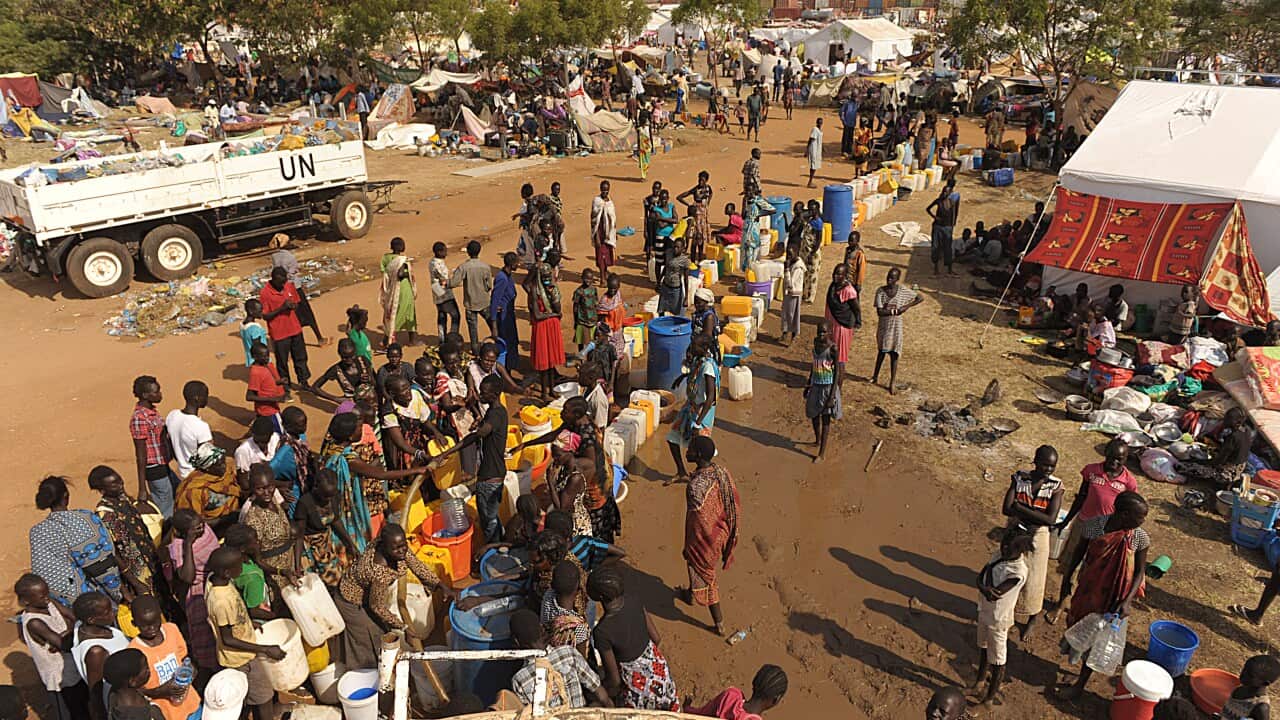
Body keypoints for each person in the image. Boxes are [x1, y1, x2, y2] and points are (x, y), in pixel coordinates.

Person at [1056, 491, 1150, 701]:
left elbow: (1139, 571)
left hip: (1115, 598)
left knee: (1097, 641)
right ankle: (1077, 671)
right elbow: (1078, 554)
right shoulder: (1094, 526)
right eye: (1140, 517)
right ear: (1124, 514)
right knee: (1078, 628)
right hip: (1089, 589)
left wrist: (1127, 601)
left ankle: (1079, 686)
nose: (1143, 521)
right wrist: (1067, 580)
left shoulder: (1139, 537)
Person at [335, 525, 449, 668]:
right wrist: (404, 627)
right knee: (368, 636)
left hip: (369, 595)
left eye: (404, 545)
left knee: (381, 632)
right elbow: (377, 606)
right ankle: (366, 674)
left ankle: (382, 666)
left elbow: (416, 565)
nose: (402, 550)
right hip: (351, 600)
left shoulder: (394, 547)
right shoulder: (379, 570)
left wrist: (440, 585)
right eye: (396, 548)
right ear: (385, 547)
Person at [319, 412, 424, 555]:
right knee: (359, 541)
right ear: (350, 436)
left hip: (333, 501)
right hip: (347, 506)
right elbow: (382, 474)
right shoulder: (349, 459)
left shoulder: (330, 446)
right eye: (359, 427)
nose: (362, 429)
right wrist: (418, 470)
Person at [204, 547, 285, 720]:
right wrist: (264, 649)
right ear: (227, 572)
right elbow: (227, 639)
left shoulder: (216, 581)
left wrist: (247, 623)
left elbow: (230, 621)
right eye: (239, 566)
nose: (242, 568)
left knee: (246, 698)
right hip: (241, 658)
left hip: (242, 651)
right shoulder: (221, 601)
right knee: (264, 697)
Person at [587, 566, 679, 710]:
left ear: (600, 597)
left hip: (638, 689)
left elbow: (615, 681)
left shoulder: (602, 631)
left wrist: (599, 692)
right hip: (660, 673)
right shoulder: (634, 599)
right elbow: (656, 638)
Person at [677, 436, 739, 637]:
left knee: (706, 575)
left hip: (705, 538)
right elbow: (731, 501)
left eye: (691, 449)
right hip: (721, 530)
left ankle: (719, 624)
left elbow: (698, 523)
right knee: (692, 563)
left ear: (698, 455)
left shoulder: (695, 488)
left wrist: (691, 546)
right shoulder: (721, 471)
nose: (687, 450)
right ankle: (690, 594)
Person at [30, 476, 124, 608]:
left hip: (58, 604)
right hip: (91, 603)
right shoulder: (84, 519)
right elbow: (102, 565)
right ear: (66, 496)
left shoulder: (37, 532)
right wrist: (119, 594)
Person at [1001, 445, 1062, 641]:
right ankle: (1008, 613)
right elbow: (1006, 509)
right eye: (1045, 465)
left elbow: (1050, 520)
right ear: (1035, 461)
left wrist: (1020, 508)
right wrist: (1033, 514)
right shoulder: (1020, 477)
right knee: (1010, 572)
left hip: (1038, 535)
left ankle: (1032, 618)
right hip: (1016, 531)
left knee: (1035, 579)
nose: (1048, 470)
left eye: (1052, 466)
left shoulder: (1056, 486)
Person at [970, 527, 1034, 708]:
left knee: (998, 660)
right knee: (982, 647)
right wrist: (983, 585)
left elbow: (993, 592)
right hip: (985, 611)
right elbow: (981, 580)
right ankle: (979, 683)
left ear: (1021, 551)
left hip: (999, 619)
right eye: (1003, 545)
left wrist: (983, 582)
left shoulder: (1019, 572)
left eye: (1009, 549)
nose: (1004, 550)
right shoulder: (1000, 554)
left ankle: (989, 697)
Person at [443, 376, 509, 546]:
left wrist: (448, 452)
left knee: (488, 520)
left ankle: (493, 550)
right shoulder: (497, 412)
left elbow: (479, 434)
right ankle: (499, 544)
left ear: (494, 395)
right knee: (492, 516)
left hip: (489, 476)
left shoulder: (494, 415)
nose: (480, 395)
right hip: (497, 471)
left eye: (484, 392)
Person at [16, 573, 90, 720]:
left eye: (47, 593)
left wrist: (67, 633)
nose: (47, 597)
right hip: (59, 678)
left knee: (83, 706)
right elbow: (66, 644)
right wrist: (69, 633)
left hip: (73, 667)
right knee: (69, 712)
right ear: (26, 601)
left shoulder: (49, 603)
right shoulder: (34, 622)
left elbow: (74, 617)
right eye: (41, 596)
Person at [1057, 439, 1136, 570]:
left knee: (1093, 564)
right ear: (1105, 453)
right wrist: (1066, 521)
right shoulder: (1092, 471)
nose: (1114, 462)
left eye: (1119, 459)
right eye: (1110, 457)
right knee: (1070, 560)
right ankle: (1066, 583)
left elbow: (1129, 510)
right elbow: (1081, 497)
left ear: (1126, 459)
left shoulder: (1129, 482)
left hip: (1106, 529)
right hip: (1083, 522)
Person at [507, 609, 610, 709]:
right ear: (542, 628)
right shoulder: (568, 653)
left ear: (516, 642)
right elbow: (602, 696)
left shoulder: (519, 680)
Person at [88, 466, 162, 600]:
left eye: (120, 481)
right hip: (136, 569)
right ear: (103, 490)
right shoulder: (105, 513)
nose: (120, 486)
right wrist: (134, 580)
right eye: (114, 485)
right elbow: (115, 549)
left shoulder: (123, 499)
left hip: (150, 558)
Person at [128, 596, 201, 720]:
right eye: (145, 625)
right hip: (167, 713)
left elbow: (184, 658)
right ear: (134, 624)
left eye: (155, 622)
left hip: (191, 703)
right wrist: (160, 692)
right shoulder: (134, 651)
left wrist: (191, 671)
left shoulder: (171, 630)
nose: (152, 628)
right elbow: (135, 690)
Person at [166, 510, 219, 671]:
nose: (201, 528)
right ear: (184, 532)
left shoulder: (205, 530)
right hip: (199, 594)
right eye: (195, 528)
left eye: (201, 523)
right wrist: (188, 544)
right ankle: (211, 670)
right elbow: (187, 577)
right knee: (206, 637)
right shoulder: (178, 546)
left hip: (217, 583)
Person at [666, 335, 719, 482]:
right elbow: (693, 374)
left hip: (702, 412)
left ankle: (705, 480)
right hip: (690, 407)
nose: (691, 348)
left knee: (701, 451)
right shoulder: (699, 361)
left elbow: (710, 399)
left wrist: (698, 423)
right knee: (672, 438)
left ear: (703, 349)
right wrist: (681, 378)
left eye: (694, 346)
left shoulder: (708, 368)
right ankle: (682, 472)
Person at [239, 464, 300, 593]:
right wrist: (281, 572)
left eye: (270, 487)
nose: (267, 493)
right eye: (260, 489)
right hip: (274, 575)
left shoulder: (274, 501)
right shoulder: (253, 519)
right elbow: (257, 559)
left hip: (290, 564)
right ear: (252, 489)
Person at [70, 592, 130, 720]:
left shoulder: (82, 626)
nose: (113, 613)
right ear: (91, 619)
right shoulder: (96, 652)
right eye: (107, 612)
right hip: (119, 703)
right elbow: (95, 692)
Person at [293, 468, 356, 587]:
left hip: (326, 546)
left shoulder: (334, 496)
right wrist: (297, 566)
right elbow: (299, 536)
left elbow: (336, 521)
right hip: (310, 549)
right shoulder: (305, 503)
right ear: (315, 487)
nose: (328, 500)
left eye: (331, 496)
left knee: (339, 579)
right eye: (325, 496)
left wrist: (350, 544)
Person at [872, 267, 924, 395]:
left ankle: (892, 382)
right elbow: (880, 312)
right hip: (884, 326)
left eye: (892, 278)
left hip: (896, 327)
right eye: (888, 277)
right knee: (882, 351)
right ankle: (875, 376)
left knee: (894, 353)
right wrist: (895, 311)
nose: (889, 280)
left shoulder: (901, 291)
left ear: (897, 279)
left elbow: (920, 297)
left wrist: (906, 306)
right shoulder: (880, 291)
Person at [130, 376, 176, 518]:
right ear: (145, 395)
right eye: (156, 392)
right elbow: (141, 454)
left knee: (176, 491)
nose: (160, 394)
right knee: (166, 507)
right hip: (154, 468)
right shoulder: (140, 418)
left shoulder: (152, 412)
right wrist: (142, 488)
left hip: (163, 464)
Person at [259, 266, 311, 389]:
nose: (283, 284)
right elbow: (265, 315)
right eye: (280, 282)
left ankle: (304, 382)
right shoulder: (265, 293)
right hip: (279, 333)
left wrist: (293, 306)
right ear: (273, 279)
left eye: (284, 281)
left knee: (301, 357)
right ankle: (286, 387)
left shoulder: (289, 286)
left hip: (295, 328)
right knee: (282, 362)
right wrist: (282, 308)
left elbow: (297, 303)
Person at [1179, 406, 1255, 488]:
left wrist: (1197, 461)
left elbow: (1217, 462)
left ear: (1236, 422)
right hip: (1240, 468)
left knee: (1183, 466)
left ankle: (1221, 484)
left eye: (1228, 419)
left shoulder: (1233, 437)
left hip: (1227, 473)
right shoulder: (1246, 431)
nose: (1225, 420)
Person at [525, 253, 566, 399]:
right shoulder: (535, 292)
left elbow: (558, 307)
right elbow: (537, 315)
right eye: (545, 277)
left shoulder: (552, 290)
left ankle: (551, 389)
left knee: (551, 362)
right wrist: (554, 315)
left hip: (550, 326)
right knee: (544, 362)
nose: (548, 280)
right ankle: (543, 392)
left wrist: (554, 296)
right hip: (542, 326)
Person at [270, 247, 327, 347]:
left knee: (290, 317)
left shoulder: (274, 256)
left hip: (284, 289)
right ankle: (319, 338)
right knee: (307, 313)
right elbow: (293, 272)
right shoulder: (289, 256)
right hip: (295, 288)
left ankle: (292, 345)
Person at [686, 665, 789, 719]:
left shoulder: (731, 696)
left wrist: (687, 708)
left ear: (754, 683)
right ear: (775, 700)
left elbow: (702, 714)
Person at [174, 443, 241, 527]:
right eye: (219, 465)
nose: (224, 466)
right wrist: (227, 519)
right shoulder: (194, 491)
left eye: (223, 461)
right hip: (213, 530)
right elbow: (194, 524)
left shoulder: (226, 472)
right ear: (208, 468)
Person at [804, 324, 841, 461]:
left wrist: (832, 396)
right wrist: (808, 384)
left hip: (827, 387)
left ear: (829, 332)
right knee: (814, 414)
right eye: (819, 332)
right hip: (816, 385)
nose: (821, 335)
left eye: (824, 333)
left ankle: (821, 453)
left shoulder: (833, 349)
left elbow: (837, 372)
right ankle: (817, 440)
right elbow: (814, 365)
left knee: (825, 419)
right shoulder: (816, 343)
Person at [165, 382, 212, 481]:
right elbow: (208, 459)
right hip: (198, 478)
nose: (207, 399)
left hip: (183, 474)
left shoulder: (172, 415)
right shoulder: (201, 426)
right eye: (205, 396)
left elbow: (170, 443)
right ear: (197, 398)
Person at [453, 240, 494, 353]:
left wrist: (445, 283)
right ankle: (497, 340)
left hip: (470, 303)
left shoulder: (464, 267)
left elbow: (454, 282)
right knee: (492, 323)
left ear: (468, 252)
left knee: (473, 329)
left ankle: (475, 350)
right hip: (484, 301)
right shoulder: (485, 267)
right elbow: (489, 285)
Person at [824, 264, 860, 388]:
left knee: (840, 358)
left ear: (845, 276)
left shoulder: (849, 291)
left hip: (842, 327)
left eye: (839, 274)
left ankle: (838, 387)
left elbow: (856, 308)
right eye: (835, 273)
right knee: (829, 354)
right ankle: (829, 382)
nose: (836, 276)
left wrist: (857, 322)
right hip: (831, 325)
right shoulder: (833, 287)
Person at [541, 561, 589, 653]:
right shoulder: (579, 628)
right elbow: (582, 660)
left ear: (552, 584)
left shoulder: (548, 597)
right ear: (578, 586)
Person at [311, 338, 375, 405]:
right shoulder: (336, 370)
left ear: (355, 352)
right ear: (339, 354)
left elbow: (374, 382)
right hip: (353, 406)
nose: (349, 360)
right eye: (345, 357)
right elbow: (315, 388)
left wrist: (369, 379)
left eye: (352, 356)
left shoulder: (363, 361)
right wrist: (336, 399)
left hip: (372, 401)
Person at [380, 236, 418, 347]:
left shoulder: (385, 258)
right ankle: (411, 340)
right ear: (403, 247)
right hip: (403, 289)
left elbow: (385, 272)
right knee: (407, 313)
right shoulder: (402, 260)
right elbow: (400, 274)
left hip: (391, 289)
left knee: (392, 313)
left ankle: (386, 338)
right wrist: (408, 272)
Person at [1220, 655, 1280, 720]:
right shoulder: (1239, 689)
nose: (1243, 674)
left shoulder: (1260, 707)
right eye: (1244, 669)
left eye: (1250, 675)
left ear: (1264, 683)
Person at [489, 252, 522, 370]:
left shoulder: (508, 276)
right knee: (507, 344)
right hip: (503, 319)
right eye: (517, 262)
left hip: (509, 315)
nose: (519, 264)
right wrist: (494, 326)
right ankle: (506, 371)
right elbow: (494, 301)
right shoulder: (502, 278)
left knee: (512, 342)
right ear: (511, 264)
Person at [926, 182, 960, 276]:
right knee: (935, 247)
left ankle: (949, 269)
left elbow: (954, 214)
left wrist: (952, 225)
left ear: (950, 193)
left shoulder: (952, 203)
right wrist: (935, 217)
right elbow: (928, 209)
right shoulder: (938, 201)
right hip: (937, 227)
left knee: (948, 248)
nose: (945, 193)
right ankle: (936, 268)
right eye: (944, 191)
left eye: (947, 192)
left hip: (947, 228)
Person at [429, 241, 460, 343]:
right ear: (439, 252)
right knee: (455, 315)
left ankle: (442, 339)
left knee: (442, 316)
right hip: (444, 293)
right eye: (444, 251)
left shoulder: (432, 262)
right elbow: (444, 279)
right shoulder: (438, 264)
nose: (446, 253)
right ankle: (452, 338)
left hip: (436, 292)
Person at [591, 181, 617, 281]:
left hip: (608, 234)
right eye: (603, 189)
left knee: (607, 256)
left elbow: (613, 219)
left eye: (606, 190)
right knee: (601, 257)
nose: (605, 192)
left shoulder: (610, 202)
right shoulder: (597, 201)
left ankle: (605, 273)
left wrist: (614, 233)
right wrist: (596, 236)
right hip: (600, 233)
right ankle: (602, 278)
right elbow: (594, 220)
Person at [650, 190, 678, 284]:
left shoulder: (671, 206)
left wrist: (662, 218)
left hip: (670, 237)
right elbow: (661, 225)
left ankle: (665, 281)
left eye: (665, 199)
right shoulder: (656, 209)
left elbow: (676, 219)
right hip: (660, 237)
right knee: (659, 261)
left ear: (668, 198)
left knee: (669, 261)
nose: (663, 201)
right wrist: (670, 220)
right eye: (662, 199)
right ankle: (658, 282)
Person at [658, 238, 690, 318]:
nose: (675, 249)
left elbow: (686, 279)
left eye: (678, 247)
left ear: (683, 248)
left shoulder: (685, 260)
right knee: (661, 310)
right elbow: (665, 267)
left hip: (675, 289)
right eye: (674, 247)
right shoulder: (669, 253)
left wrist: (686, 297)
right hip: (665, 286)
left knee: (678, 314)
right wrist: (659, 281)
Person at [573, 269, 600, 352]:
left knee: (592, 341)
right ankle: (581, 358)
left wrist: (597, 318)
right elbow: (575, 307)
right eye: (586, 279)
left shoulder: (594, 289)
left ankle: (591, 358)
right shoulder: (578, 292)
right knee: (581, 341)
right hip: (582, 320)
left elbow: (596, 304)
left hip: (593, 320)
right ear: (582, 278)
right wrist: (575, 321)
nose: (588, 281)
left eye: (590, 279)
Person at [239, 299, 269, 368]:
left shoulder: (242, 325)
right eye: (260, 311)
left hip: (252, 359)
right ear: (251, 311)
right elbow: (258, 347)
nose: (262, 312)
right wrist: (265, 361)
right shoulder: (255, 329)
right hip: (261, 360)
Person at [844, 231, 867, 297]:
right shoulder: (847, 250)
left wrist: (858, 283)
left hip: (854, 281)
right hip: (846, 279)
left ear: (857, 241)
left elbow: (861, 270)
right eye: (849, 240)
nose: (849, 242)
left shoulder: (859, 254)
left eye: (852, 241)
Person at [805, 117, 823, 188]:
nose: (820, 123)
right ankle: (810, 182)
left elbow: (820, 140)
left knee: (815, 165)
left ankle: (810, 181)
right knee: (813, 166)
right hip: (814, 149)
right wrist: (806, 150)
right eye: (819, 122)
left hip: (817, 149)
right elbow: (810, 139)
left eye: (821, 122)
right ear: (817, 122)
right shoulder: (815, 130)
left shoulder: (819, 130)